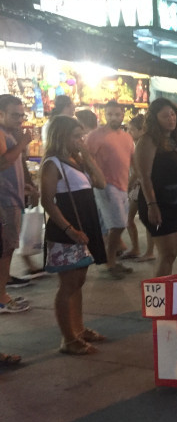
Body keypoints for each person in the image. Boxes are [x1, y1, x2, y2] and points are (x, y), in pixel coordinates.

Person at [40, 116, 107, 354]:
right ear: (61, 136)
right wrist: (69, 229)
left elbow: (101, 182)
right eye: (76, 136)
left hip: (84, 226)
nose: (81, 140)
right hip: (67, 229)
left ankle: (78, 328)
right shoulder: (53, 164)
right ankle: (68, 338)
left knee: (78, 281)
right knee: (68, 284)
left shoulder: (76, 160)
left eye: (82, 136)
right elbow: (47, 201)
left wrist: (87, 156)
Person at [134, 98, 177, 277]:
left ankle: (166, 291)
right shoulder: (148, 140)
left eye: (173, 114)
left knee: (171, 255)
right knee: (166, 255)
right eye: (165, 116)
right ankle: (159, 294)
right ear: (154, 119)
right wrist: (152, 205)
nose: (171, 119)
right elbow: (144, 176)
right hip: (158, 202)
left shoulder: (173, 140)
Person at [85, 101, 135, 279]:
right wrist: (94, 180)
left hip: (123, 185)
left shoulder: (126, 137)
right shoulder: (95, 136)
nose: (114, 117)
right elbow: (87, 159)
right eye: (110, 114)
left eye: (117, 114)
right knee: (118, 224)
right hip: (105, 185)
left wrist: (136, 179)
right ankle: (109, 261)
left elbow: (132, 160)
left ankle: (110, 259)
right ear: (104, 115)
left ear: (123, 115)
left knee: (118, 224)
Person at [0, 95, 32, 313]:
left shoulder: (10, 133)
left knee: (8, 248)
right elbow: (2, 163)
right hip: (5, 200)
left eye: (21, 115)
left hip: (12, 197)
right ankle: (2, 297)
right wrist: (22, 143)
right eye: (15, 115)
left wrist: (25, 185)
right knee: (6, 249)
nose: (20, 119)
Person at [122, 115, 154, 262]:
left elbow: (137, 171)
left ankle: (145, 250)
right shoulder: (139, 144)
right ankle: (141, 249)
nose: (129, 132)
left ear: (142, 130)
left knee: (136, 218)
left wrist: (128, 185)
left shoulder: (142, 145)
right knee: (135, 218)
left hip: (139, 186)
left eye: (132, 129)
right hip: (139, 185)